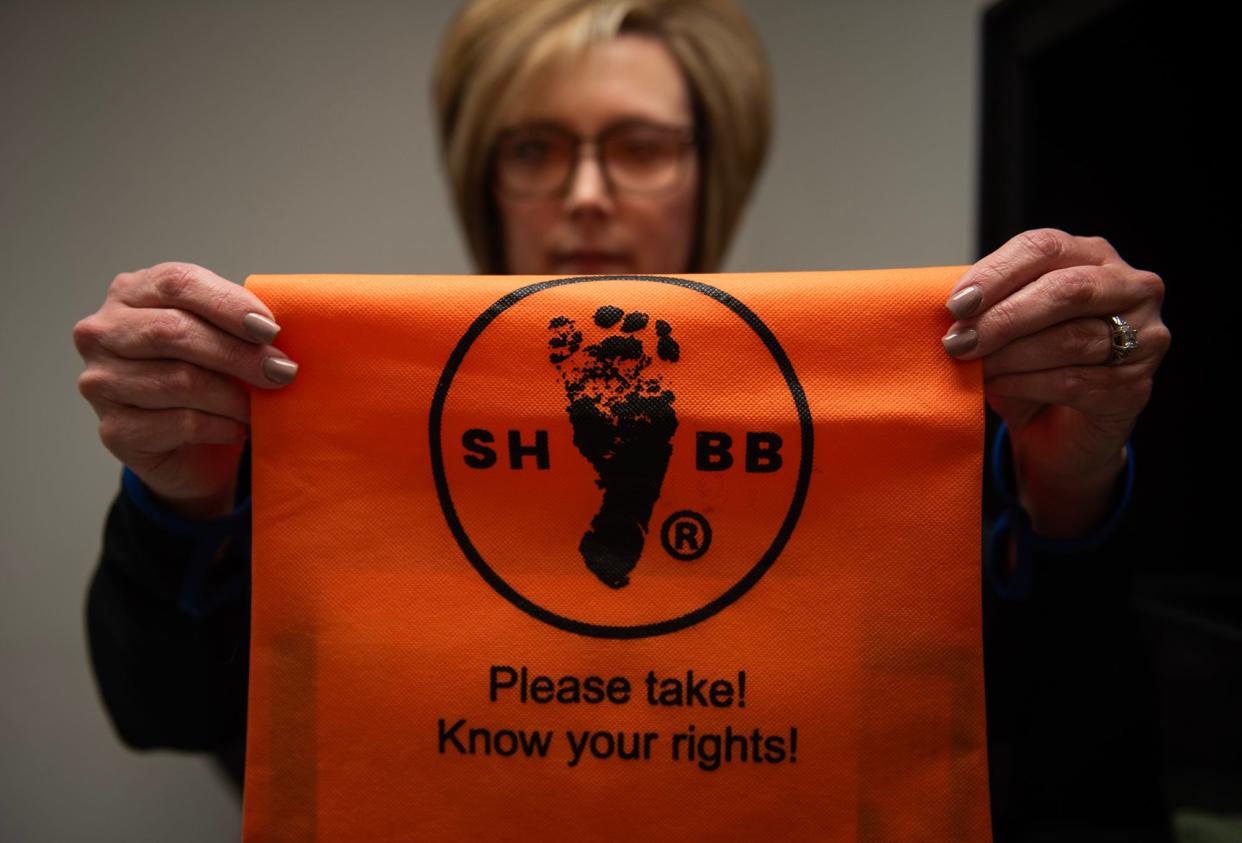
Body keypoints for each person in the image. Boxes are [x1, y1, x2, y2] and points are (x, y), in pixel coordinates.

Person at [74, 0, 1171, 837]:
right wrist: (185, 485)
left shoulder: (888, 431)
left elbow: (1056, 759)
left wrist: (1069, 486)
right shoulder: (327, 425)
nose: (588, 192)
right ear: (485, 179)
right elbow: (166, 710)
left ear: (710, 173)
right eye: (536, 148)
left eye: (640, 146)